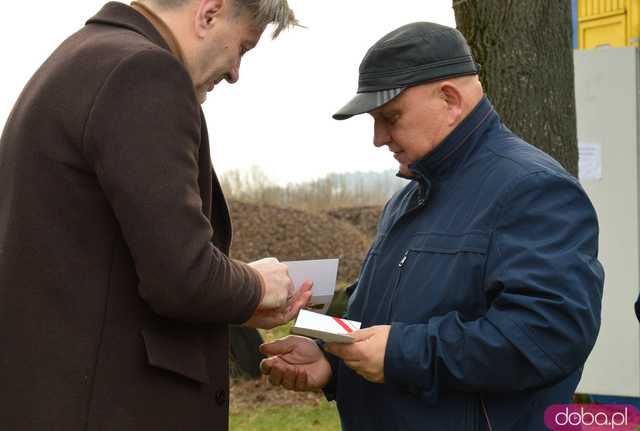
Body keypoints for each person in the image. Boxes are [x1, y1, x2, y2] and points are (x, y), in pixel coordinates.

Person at [260, 22, 605, 430]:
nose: (378, 138)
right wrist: (332, 360)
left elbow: (547, 336)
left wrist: (399, 354)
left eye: (390, 117)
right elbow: (385, 321)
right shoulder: (408, 199)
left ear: (450, 99)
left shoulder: (533, 190)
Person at [0, 0, 311, 430]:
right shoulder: (144, 72)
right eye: (244, 46)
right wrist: (257, 286)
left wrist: (234, 302)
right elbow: (182, 277)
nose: (236, 71)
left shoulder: (77, 60)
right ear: (210, 12)